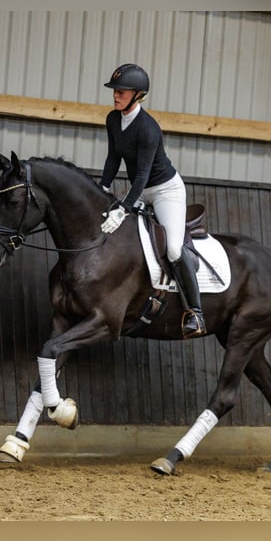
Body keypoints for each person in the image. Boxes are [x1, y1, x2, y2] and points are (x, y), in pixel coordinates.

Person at [99, 63, 205, 339]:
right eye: (115, 91)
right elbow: (114, 158)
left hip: (165, 190)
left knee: (172, 248)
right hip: (141, 189)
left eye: (122, 91)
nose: (116, 95)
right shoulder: (113, 119)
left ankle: (195, 312)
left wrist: (123, 208)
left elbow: (143, 175)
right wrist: (103, 187)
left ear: (138, 95)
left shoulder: (148, 128)